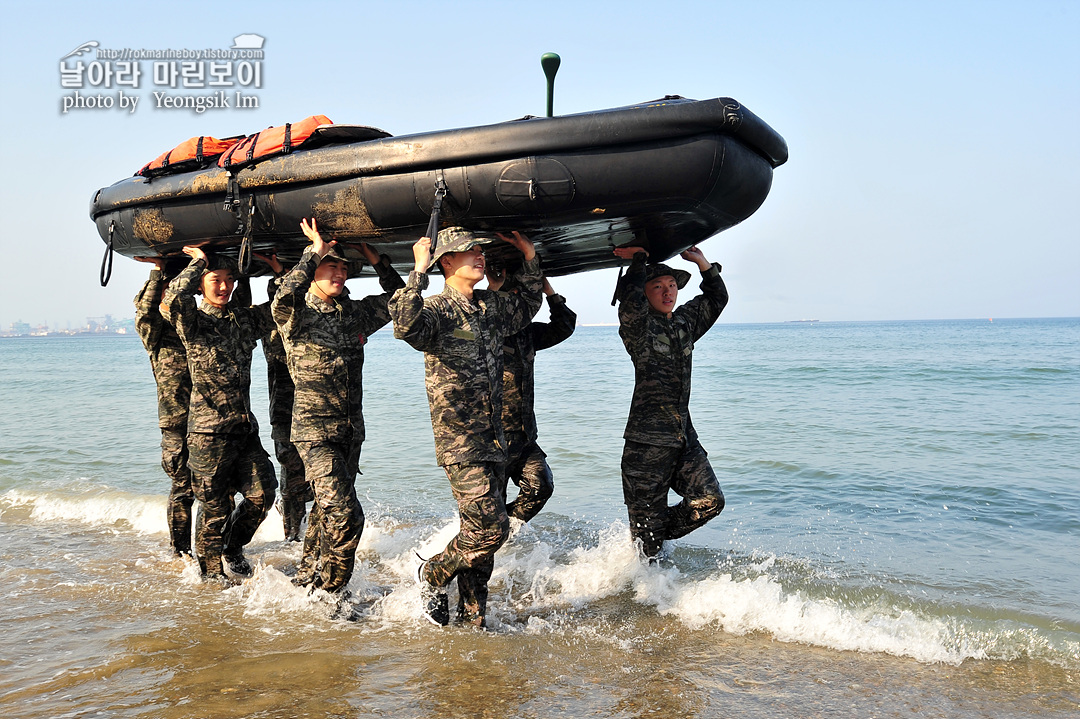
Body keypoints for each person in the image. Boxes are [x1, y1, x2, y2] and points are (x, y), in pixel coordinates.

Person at [389, 227, 542, 627]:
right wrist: (417, 271)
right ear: (446, 263)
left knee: (480, 537)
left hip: (496, 438)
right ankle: (432, 574)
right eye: (467, 252)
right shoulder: (437, 310)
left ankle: (472, 619)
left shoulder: (490, 307)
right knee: (491, 529)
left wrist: (528, 255)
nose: (479, 256)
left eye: (479, 251)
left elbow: (527, 304)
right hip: (461, 440)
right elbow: (404, 325)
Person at [272, 218, 404, 595]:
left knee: (323, 517)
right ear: (314, 270)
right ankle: (332, 596)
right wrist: (312, 253)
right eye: (332, 265)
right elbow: (283, 295)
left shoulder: (355, 314)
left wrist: (379, 263)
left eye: (344, 267)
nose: (340, 272)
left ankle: (307, 582)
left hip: (349, 433)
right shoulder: (296, 315)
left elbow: (400, 300)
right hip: (314, 434)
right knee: (347, 517)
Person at [161, 246, 280, 581]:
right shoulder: (193, 323)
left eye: (230, 280)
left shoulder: (244, 320)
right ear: (201, 284)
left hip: (244, 429)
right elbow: (173, 297)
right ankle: (212, 578)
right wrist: (198, 262)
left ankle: (232, 547)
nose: (224, 286)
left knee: (262, 494)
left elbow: (282, 306)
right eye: (216, 280)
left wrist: (285, 269)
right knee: (214, 509)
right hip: (208, 434)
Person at [611, 244, 728, 558]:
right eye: (658, 287)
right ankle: (639, 586)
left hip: (682, 439)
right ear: (644, 293)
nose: (668, 292)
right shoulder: (638, 328)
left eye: (673, 285)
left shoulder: (684, 323)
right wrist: (638, 261)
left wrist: (703, 264)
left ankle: (653, 534)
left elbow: (717, 299)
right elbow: (630, 304)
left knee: (710, 500)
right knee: (648, 553)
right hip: (646, 448)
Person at [484, 269, 576, 523]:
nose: (516, 304)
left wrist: (550, 293)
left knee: (541, 486)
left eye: (521, 298)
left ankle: (505, 533)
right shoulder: (483, 331)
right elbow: (466, 323)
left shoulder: (527, 333)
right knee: (492, 506)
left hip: (524, 436)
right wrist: (492, 290)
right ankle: (490, 539)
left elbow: (563, 327)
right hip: (492, 440)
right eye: (510, 296)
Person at [133, 257, 194, 557]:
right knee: (183, 487)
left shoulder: (193, 324)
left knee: (216, 488)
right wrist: (158, 271)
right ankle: (180, 552)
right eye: (166, 291)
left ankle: (218, 550)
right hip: (176, 423)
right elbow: (145, 310)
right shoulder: (155, 333)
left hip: (209, 422)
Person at [262, 281, 310, 543]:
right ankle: (292, 537)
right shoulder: (273, 334)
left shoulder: (310, 325)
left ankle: (301, 534)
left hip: (311, 414)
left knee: (306, 482)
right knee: (293, 477)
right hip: (284, 413)